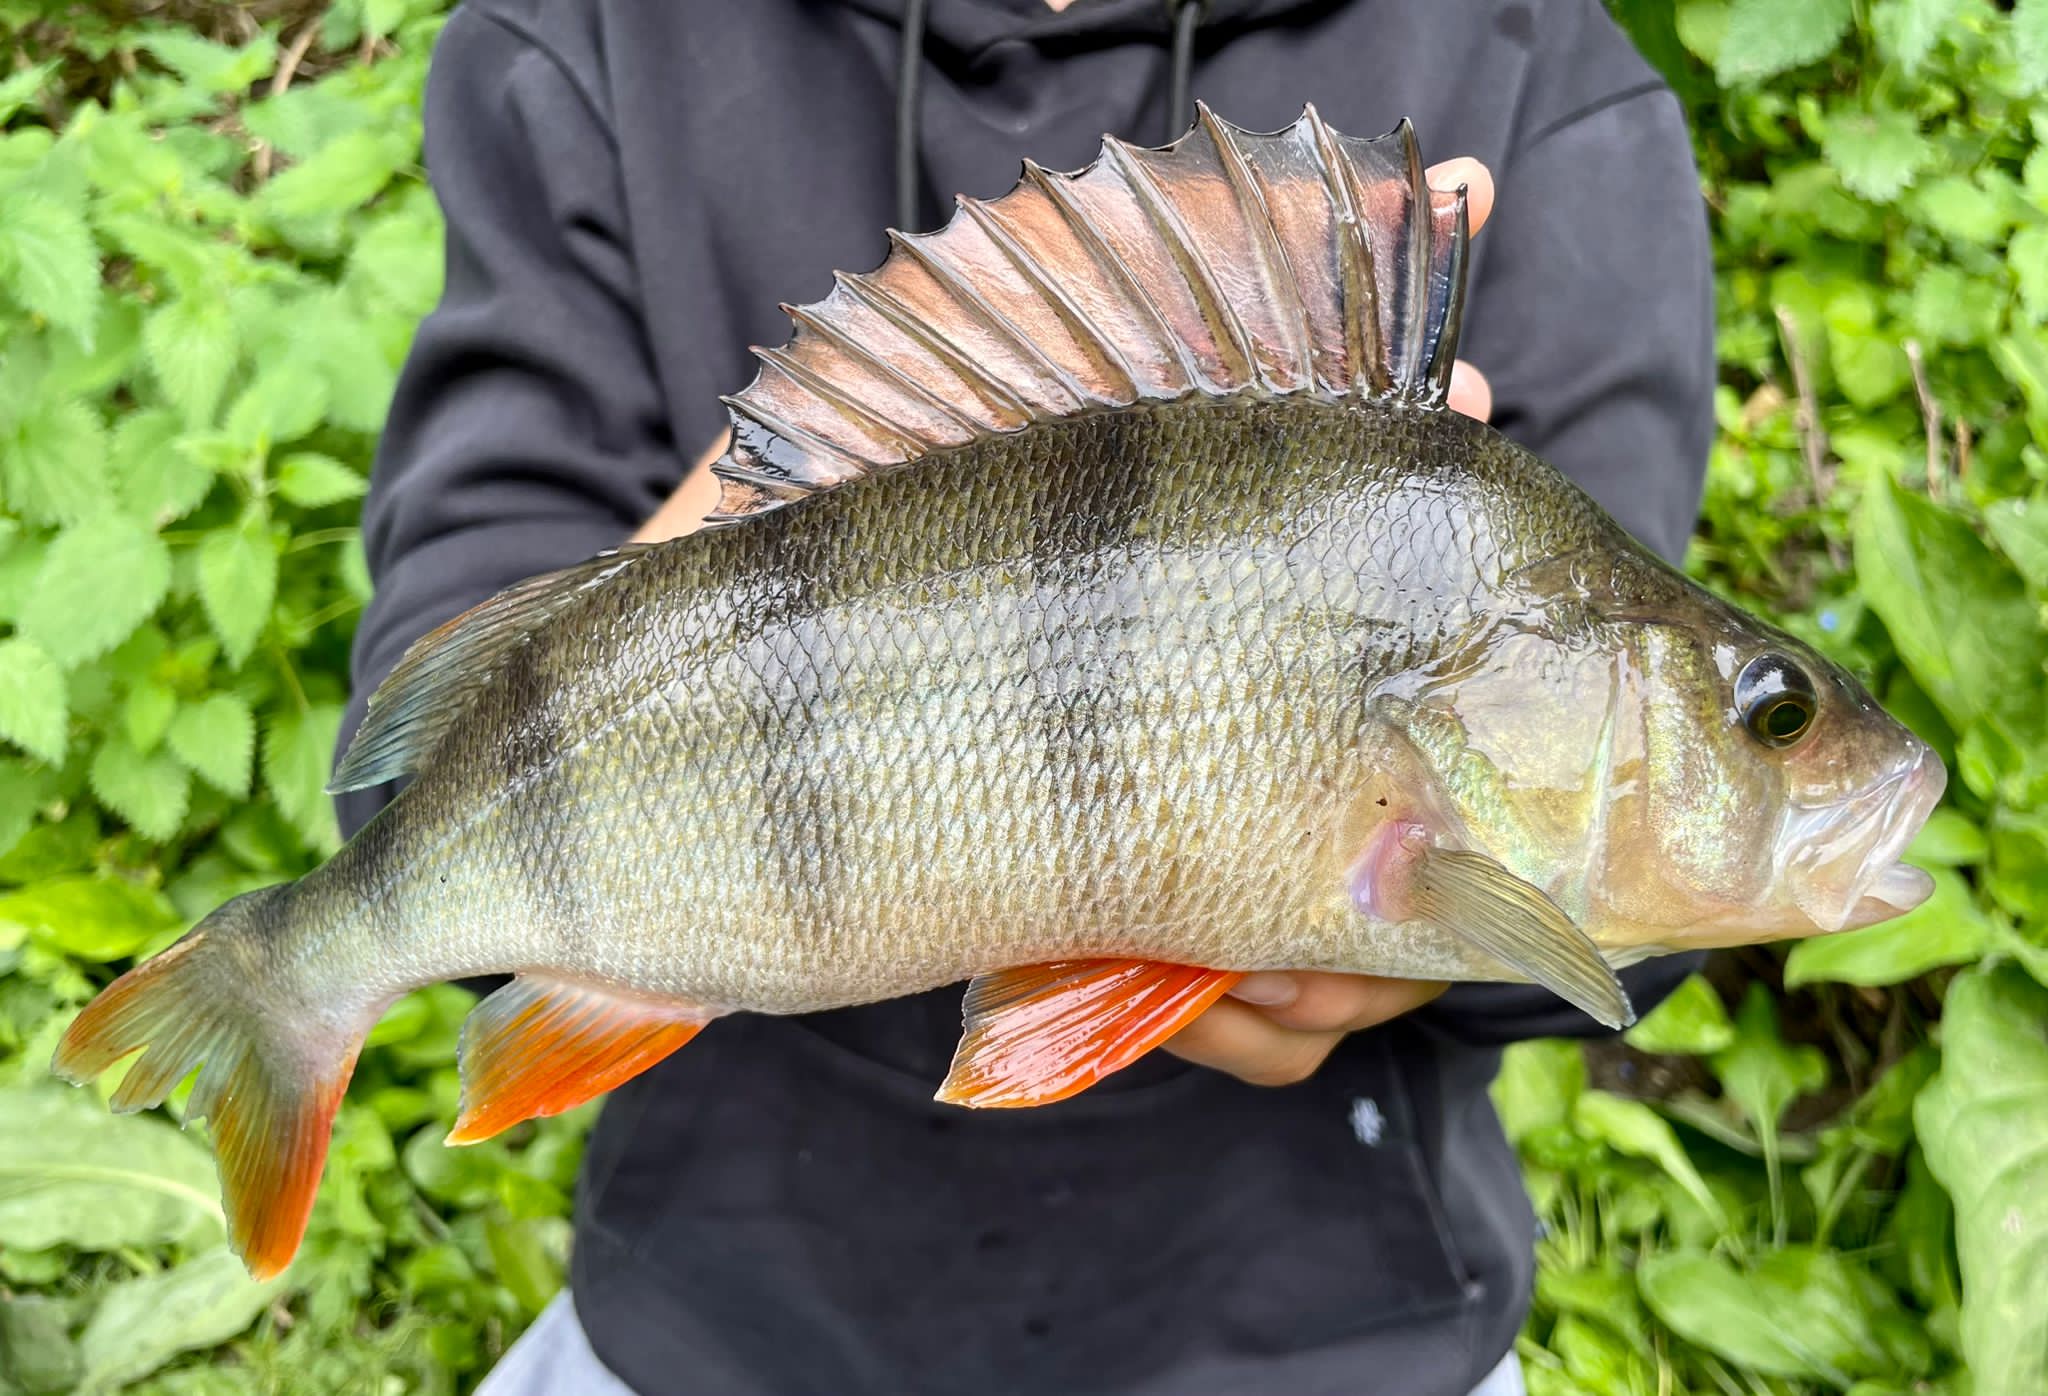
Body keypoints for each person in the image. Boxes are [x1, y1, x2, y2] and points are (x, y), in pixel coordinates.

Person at [336, 1, 1714, 1391]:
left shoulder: (1543, 69)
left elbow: (1619, 928)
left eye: (1765, 715)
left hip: (1341, 1339)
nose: (1772, 740)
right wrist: (799, 505)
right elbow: (401, 787)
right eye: (1774, 712)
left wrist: (1416, 948)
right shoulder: (586, 40)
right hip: (713, 1327)